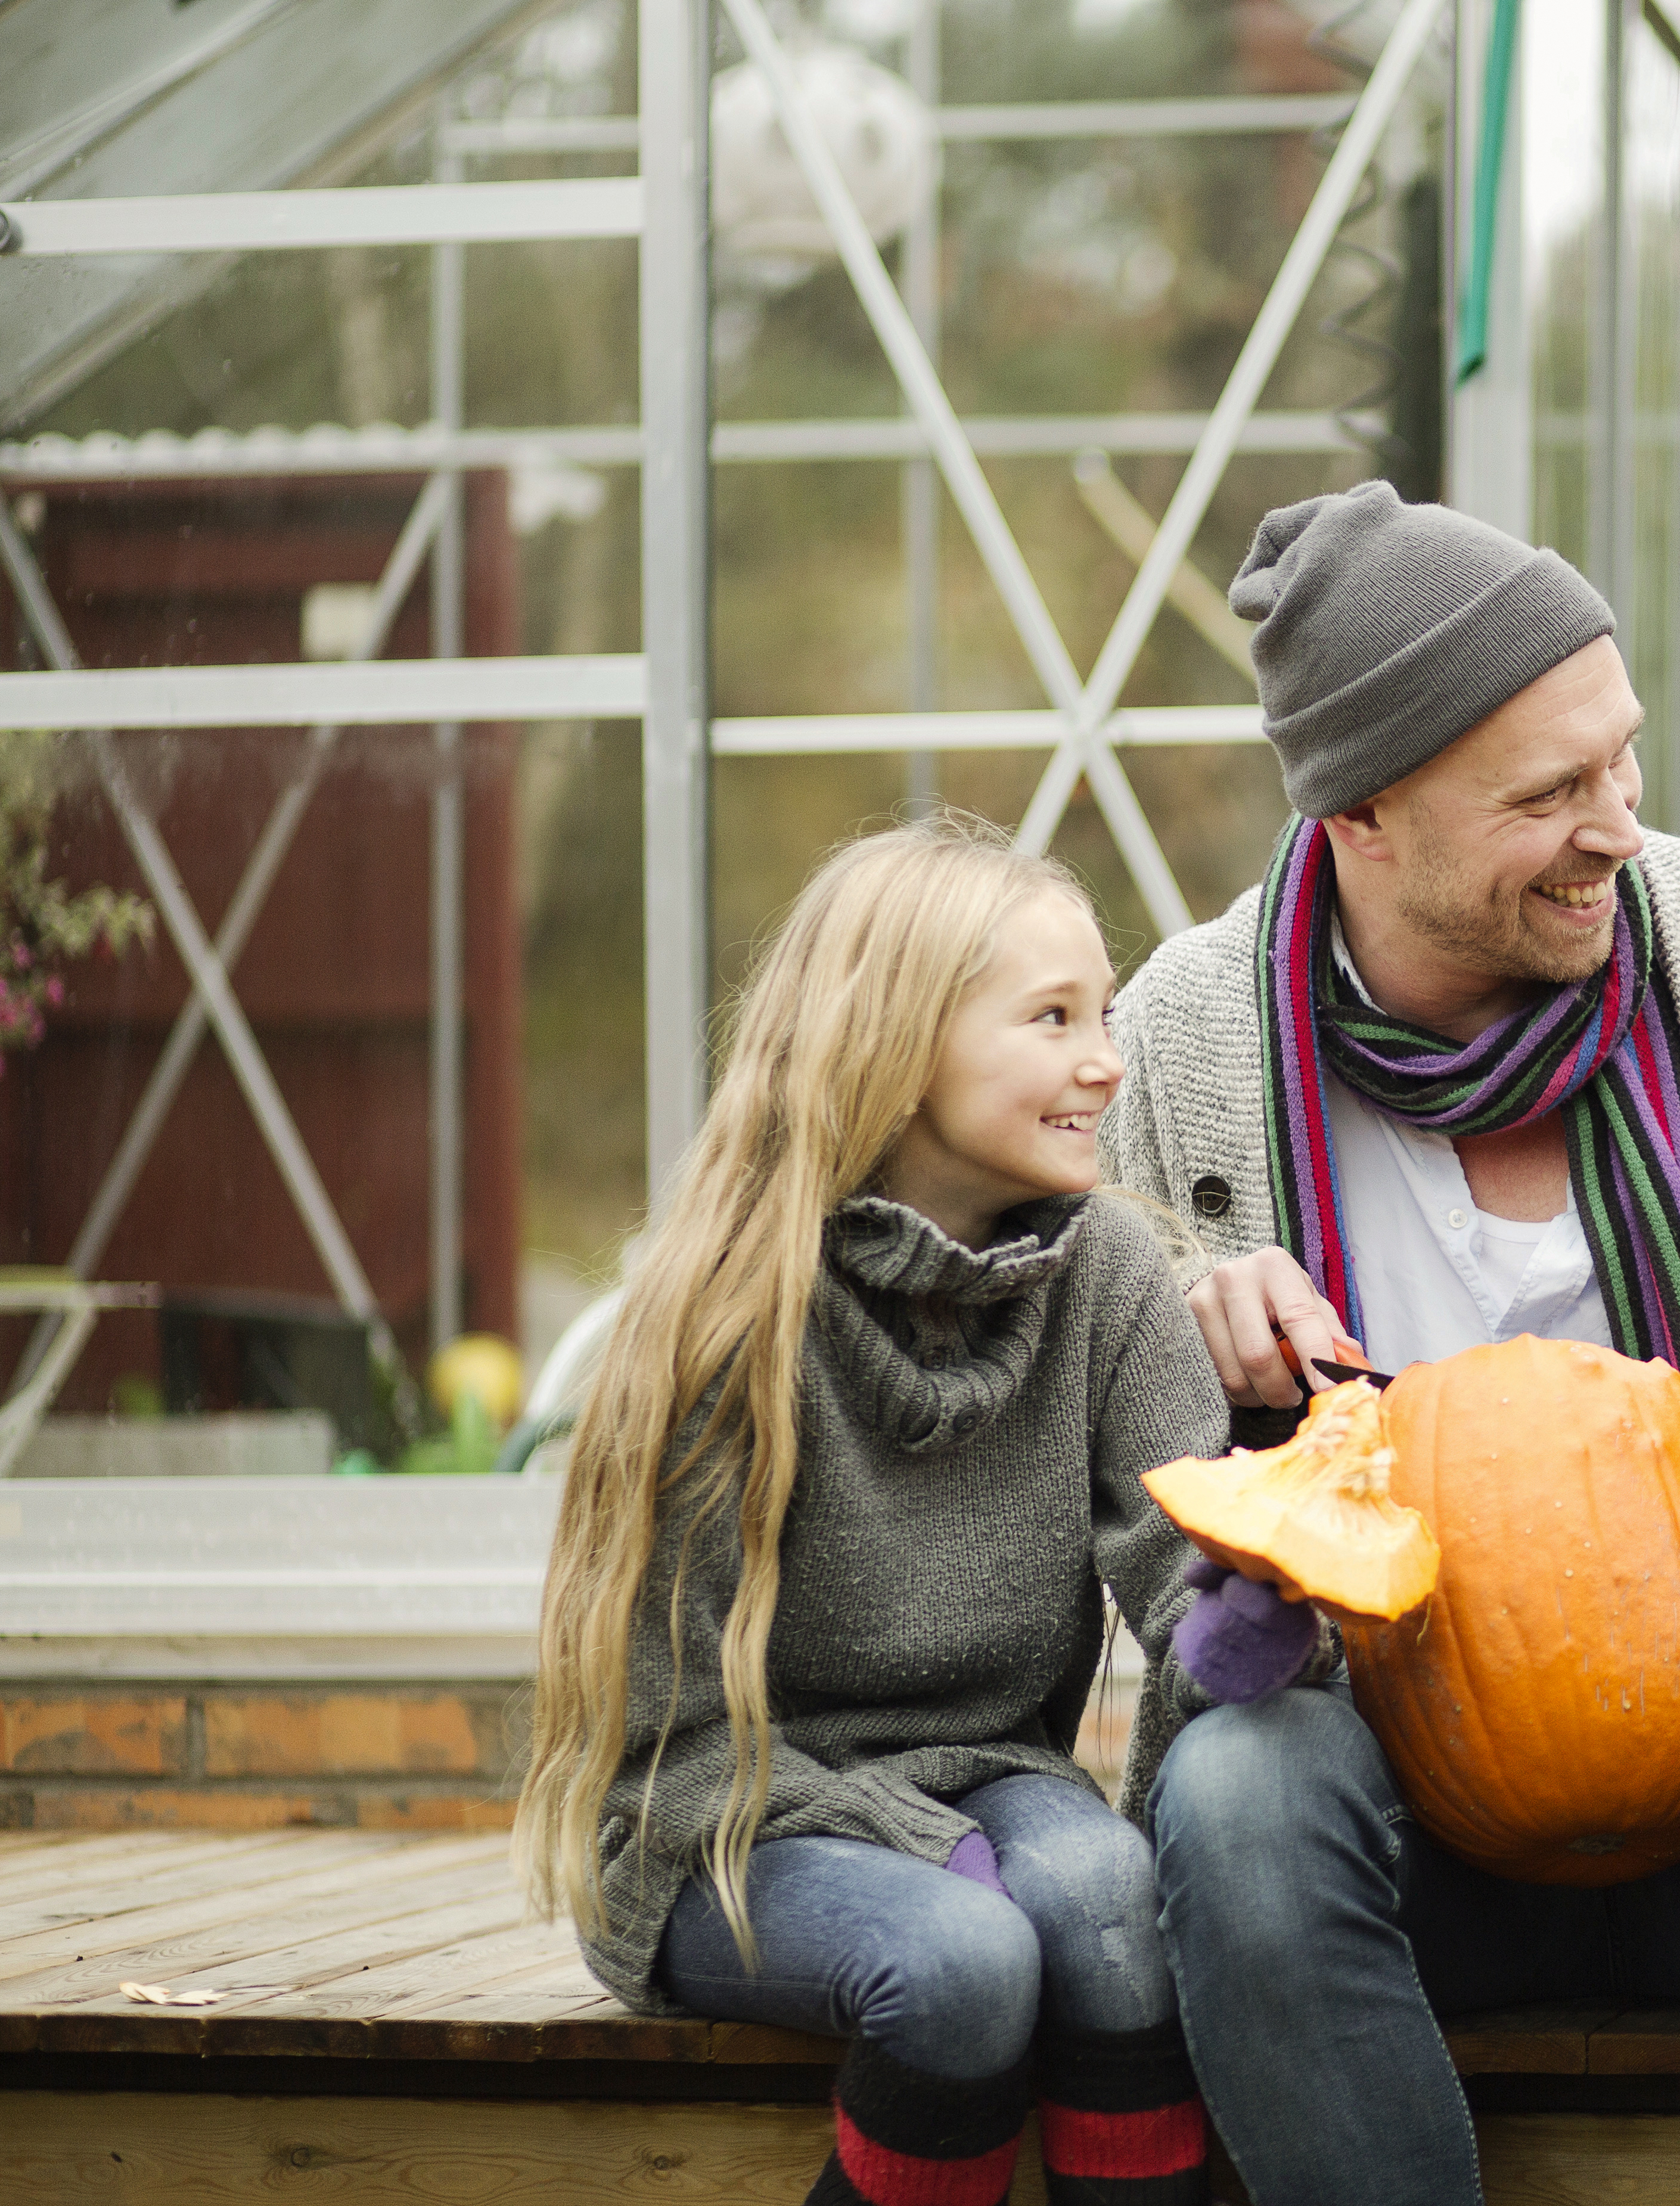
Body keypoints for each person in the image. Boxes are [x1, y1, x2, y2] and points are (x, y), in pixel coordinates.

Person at [1099, 481, 1680, 2206]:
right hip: (1396, 1764)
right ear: (1364, 811)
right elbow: (1162, 1593)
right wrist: (1233, 1436)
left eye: (1622, 760)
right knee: (1233, 1799)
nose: (1621, 827)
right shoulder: (1183, 1047)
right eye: (1551, 792)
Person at [514, 818, 1228, 2206]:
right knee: (965, 1963)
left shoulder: (1107, 1279)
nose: (1107, 1060)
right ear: (900, 1046)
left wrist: (1260, 1613)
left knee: (1115, 1915)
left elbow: (1184, 1568)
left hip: (995, 1781)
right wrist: (937, 1857)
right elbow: (675, 1739)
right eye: (1053, 1018)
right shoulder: (730, 1310)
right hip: (729, 1822)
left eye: (1106, 1012)